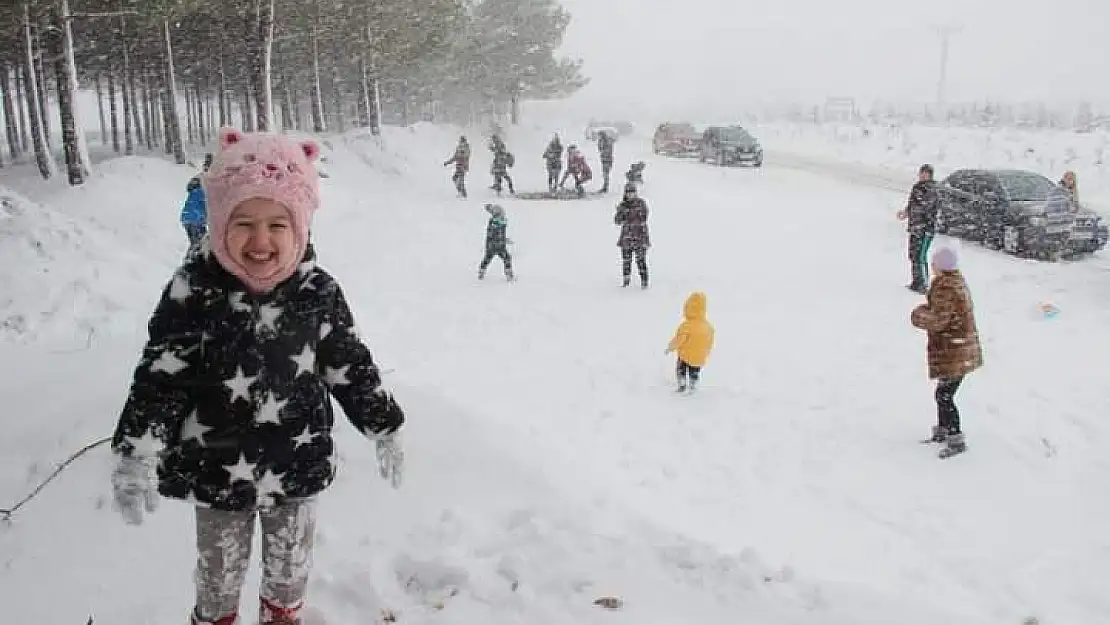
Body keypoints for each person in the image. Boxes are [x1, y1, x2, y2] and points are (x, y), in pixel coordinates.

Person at [109, 127, 406, 625]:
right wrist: (136, 451)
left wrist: (384, 425)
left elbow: (348, 364)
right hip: (216, 472)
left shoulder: (317, 292)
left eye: (278, 224)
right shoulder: (194, 291)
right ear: (219, 221)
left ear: (302, 228)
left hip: (298, 465)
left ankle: (281, 617)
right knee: (218, 581)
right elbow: (161, 378)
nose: (261, 241)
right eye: (243, 222)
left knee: (289, 574)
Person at [910, 247, 982, 459]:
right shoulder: (952, 283)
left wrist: (918, 315)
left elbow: (939, 320)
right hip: (959, 349)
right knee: (943, 392)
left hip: (955, 351)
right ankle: (943, 431)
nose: (932, 267)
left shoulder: (947, 288)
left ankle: (956, 438)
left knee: (944, 395)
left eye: (934, 264)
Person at [897, 164, 939, 294]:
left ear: (930, 175)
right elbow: (913, 205)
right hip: (914, 227)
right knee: (913, 255)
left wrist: (928, 227)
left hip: (925, 229)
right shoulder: (917, 187)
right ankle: (916, 282)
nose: (922, 175)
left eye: (925, 173)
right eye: (921, 173)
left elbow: (930, 210)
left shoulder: (932, 190)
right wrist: (905, 213)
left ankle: (925, 284)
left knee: (921, 257)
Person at [664, 292, 715, 393]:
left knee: (681, 369)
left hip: (685, 356)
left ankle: (682, 384)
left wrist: (670, 347)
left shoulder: (686, 326)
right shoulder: (708, 327)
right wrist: (706, 353)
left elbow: (678, 340)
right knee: (694, 372)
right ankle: (693, 385)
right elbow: (710, 342)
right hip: (699, 358)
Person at [614, 182, 649, 288]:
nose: (630, 195)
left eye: (632, 192)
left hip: (640, 236)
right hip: (626, 238)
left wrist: (629, 212)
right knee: (626, 261)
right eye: (628, 192)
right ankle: (626, 281)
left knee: (641, 260)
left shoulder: (641, 203)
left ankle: (644, 281)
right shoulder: (622, 205)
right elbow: (617, 221)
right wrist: (620, 213)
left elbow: (644, 216)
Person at [181, 153, 213, 255]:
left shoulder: (199, 179)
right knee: (199, 244)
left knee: (196, 243)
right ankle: (189, 264)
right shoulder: (208, 182)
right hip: (196, 218)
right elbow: (209, 204)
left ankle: (189, 262)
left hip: (187, 217)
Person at [478, 203, 514, 281]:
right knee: (506, 258)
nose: (503, 216)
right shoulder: (497, 223)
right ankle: (509, 275)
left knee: (487, 258)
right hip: (498, 245)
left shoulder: (496, 222)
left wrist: (505, 239)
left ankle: (481, 271)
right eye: (502, 214)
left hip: (491, 245)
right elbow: (495, 234)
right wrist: (502, 240)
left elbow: (498, 235)